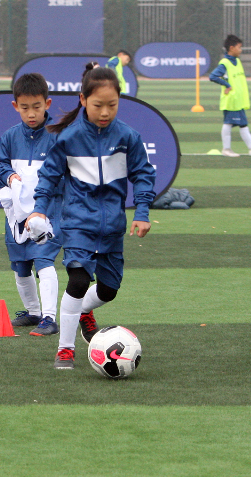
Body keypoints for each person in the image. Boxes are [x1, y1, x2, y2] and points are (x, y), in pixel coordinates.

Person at [25, 66, 155, 370]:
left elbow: (144, 174)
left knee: (109, 290)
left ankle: (82, 311)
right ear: (83, 100)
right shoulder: (68, 138)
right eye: (98, 105)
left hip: (112, 229)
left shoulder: (128, 137)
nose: (105, 112)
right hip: (78, 223)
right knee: (79, 279)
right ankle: (65, 350)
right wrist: (39, 209)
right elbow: (49, 177)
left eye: (112, 105)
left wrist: (143, 211)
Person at [0, 72, 63, 336]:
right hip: (16, 216)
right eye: (25, 108)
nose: (31, 114)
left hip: (49, 211)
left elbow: (67, 175)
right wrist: (8, 175)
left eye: (37, 107)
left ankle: (49, 317)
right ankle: (33, 312)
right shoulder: (9, 137)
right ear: (15, 107)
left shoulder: (58, 137)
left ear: (48, 103)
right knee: (20, 265)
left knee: (43, 260)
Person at [209, 35, 251, 157]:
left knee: (243, 125)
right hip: (231, 100)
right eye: (239, 47)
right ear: (231, 48)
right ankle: (226, 149)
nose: (241, 50)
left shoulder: (237, 62)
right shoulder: (225, 63)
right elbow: (213, 76)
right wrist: (227, 85)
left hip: (239, 101)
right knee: (228, 123)